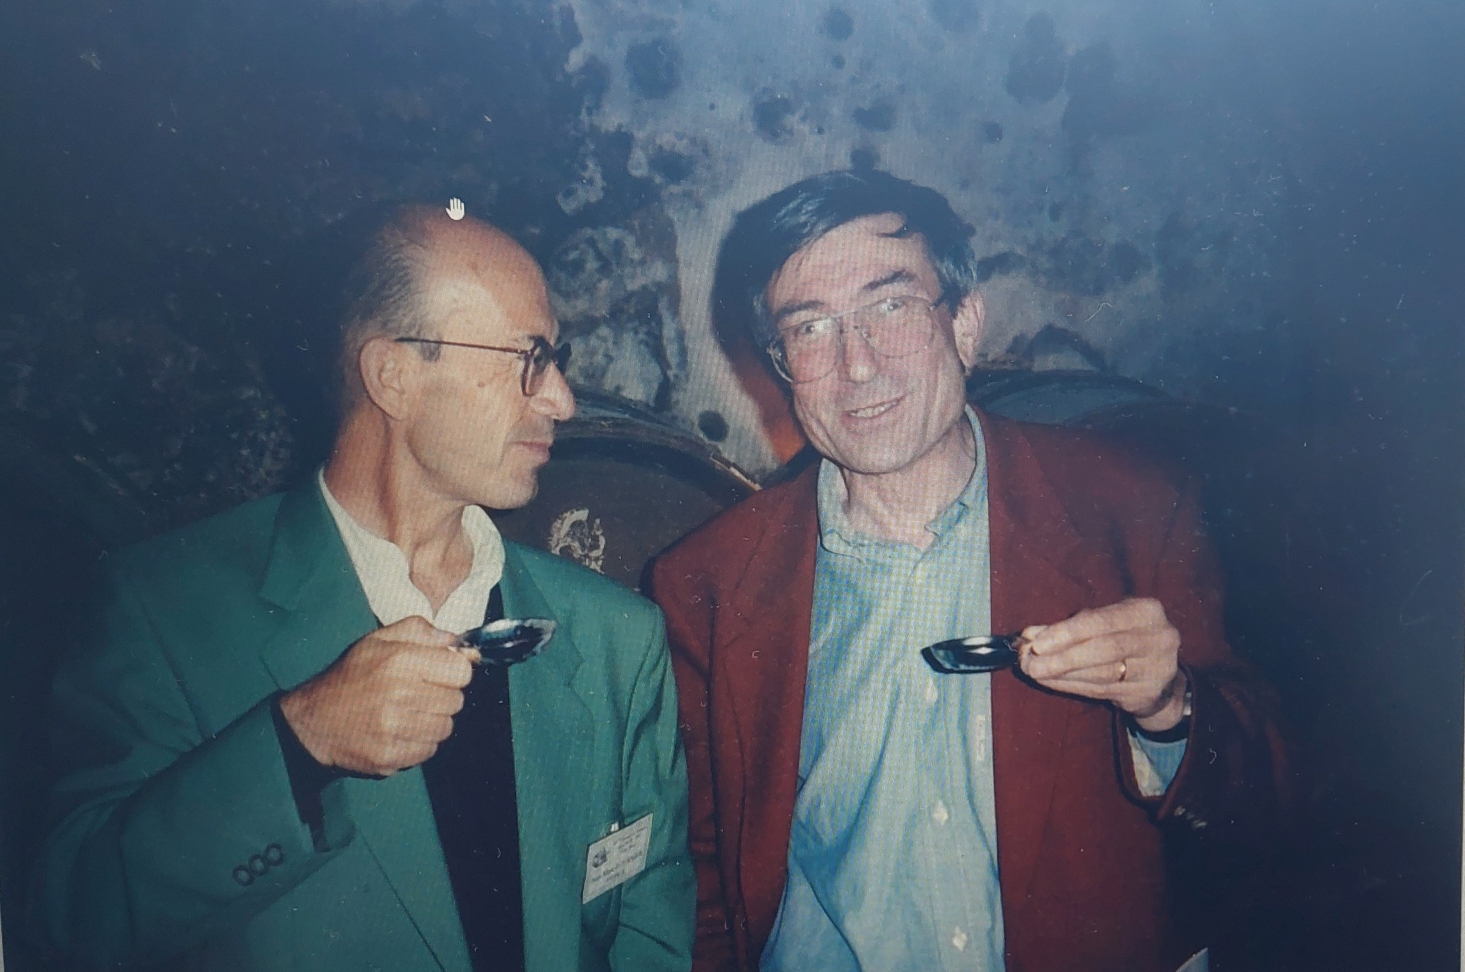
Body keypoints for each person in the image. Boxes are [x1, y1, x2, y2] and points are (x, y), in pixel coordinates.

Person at [649, 170, 1294, 972]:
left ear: (964, 323)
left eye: (891, 307)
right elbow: (701, 876)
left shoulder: (1129, 505)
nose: (857, 365)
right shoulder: (708, 580)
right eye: (810, 328)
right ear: (780, 364)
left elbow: (1267, 811)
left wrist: (1168, 708)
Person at [35, 206, 694, 972]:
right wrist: (297, 744)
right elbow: (70, 920)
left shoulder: (618, 635)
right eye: (529, 358)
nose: (561, 400)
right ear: (392, 375)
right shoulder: (162, 607)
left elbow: (649, 936)